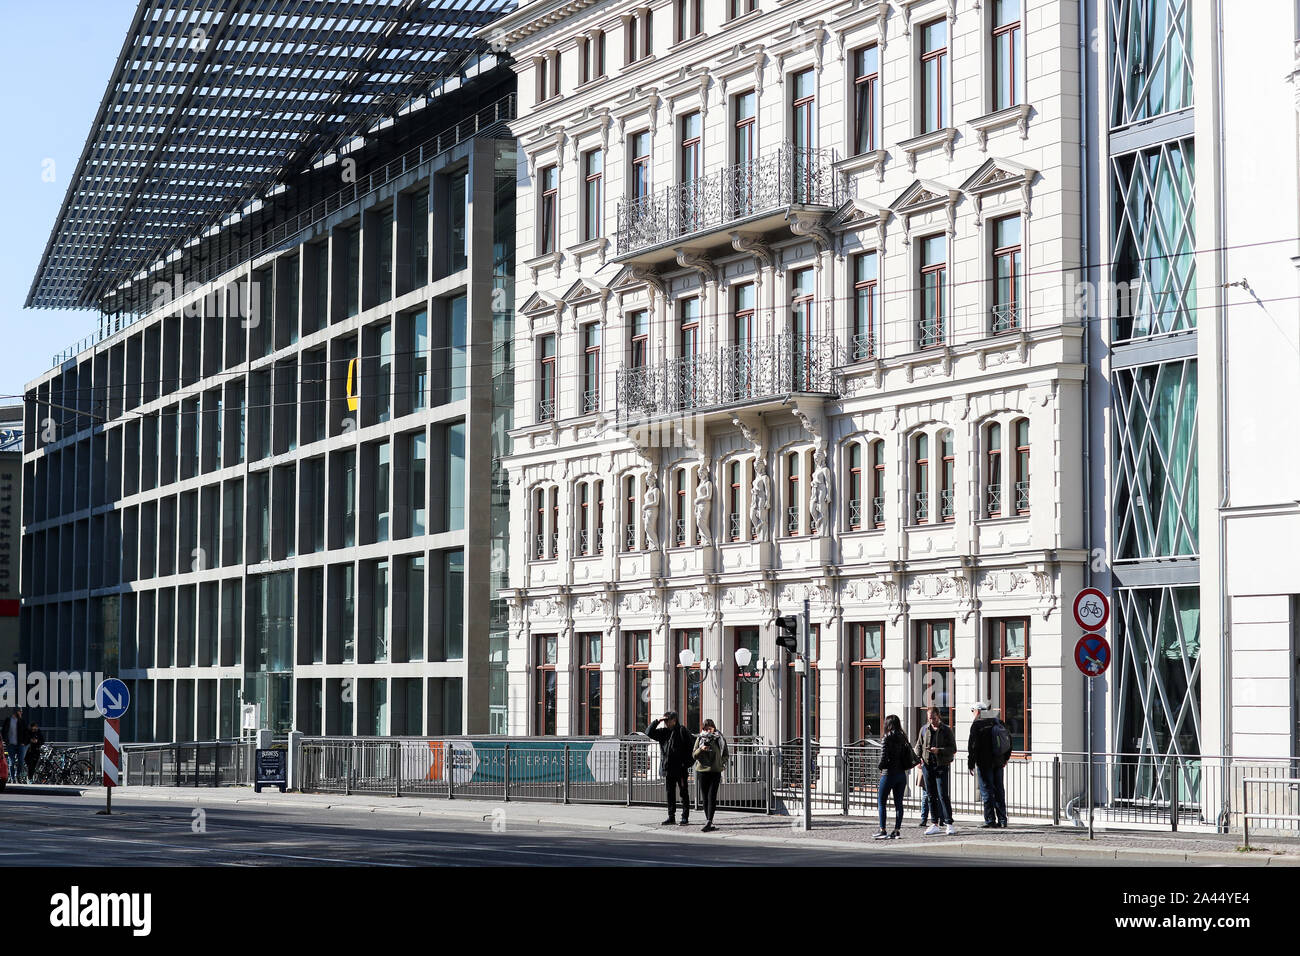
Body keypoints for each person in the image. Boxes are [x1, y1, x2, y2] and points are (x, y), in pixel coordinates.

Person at [647, 711, 697, 826]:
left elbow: (692, 747)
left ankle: (685, 817)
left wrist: (686, 764)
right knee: (670, 794)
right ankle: (671, 817)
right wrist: (657, 721)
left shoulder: (682, 731)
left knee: (684, 793)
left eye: (667, 720)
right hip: (668, 769)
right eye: (664, 721)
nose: (665, 723)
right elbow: (648, 732)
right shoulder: (663, 732)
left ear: (674, 720)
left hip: (680, 769)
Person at [914, 706, 957, 835]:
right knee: (931, 795)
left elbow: (953, 748)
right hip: (927, 766)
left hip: (941, 766)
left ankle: (949, 823)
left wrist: (939, 751)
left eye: (933, 718)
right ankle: (934, 823)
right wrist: (918, 759)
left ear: (938, 716)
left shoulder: (946, 730)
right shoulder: (924, 729)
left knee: (943, 794)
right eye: (929, 718)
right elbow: (918, 746)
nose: (931, 720)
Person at [967, 702, 1009, 828]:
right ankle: (1002, 820)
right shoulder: (998, 722)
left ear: (978, 711)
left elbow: (973, 746)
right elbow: (1008, 741)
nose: (973, 713)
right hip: (998, 762)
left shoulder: (977, 725)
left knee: (986, 791)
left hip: (984, 764)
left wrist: (971, 764)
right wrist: (1005, 758)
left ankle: (990, 820)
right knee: (999, 791)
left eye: (972, 711)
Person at [875, 714, 915, 839]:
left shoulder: (886, 737)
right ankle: (897, 830)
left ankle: (883, 830)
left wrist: (880, 767)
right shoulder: (903, 737)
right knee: (899, 803)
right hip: (901, 774)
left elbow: (883, 757)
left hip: (888, 774)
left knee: (881, 802)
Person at [692, 718, 728, 832]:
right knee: (705, 797)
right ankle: (708, 820)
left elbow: (726, 754)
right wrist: (701, 749)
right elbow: (694, 754)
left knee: (712, 796)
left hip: (715, 771)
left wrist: (720, 763)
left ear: (714, 728)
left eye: (710, 728)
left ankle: (709, 821)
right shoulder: (700, 738)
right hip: (702, 771)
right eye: (706, 728)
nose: (708, 731)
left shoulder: (719, 738)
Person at [3, 708, 28, 785]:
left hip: (20, 744)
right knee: (12, 762)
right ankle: (13, 778)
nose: (21, 713)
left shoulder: (22, 721)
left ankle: (18, 776)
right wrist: (7, 742)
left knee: (21, 761)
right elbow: (4, 731)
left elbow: (26, 732)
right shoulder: (8, 720)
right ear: (16, 712)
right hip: (11, 745)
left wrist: (24, 742)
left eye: (21, 712)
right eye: (20, 711)